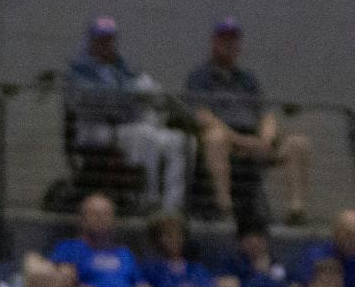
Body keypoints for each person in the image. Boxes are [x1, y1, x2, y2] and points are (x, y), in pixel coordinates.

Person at [184, 17, 310, 223]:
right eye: (224, 40)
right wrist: (240, 141)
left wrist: (266, 139)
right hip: (227, 141)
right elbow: (203, 116)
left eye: (233, 40)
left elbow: (265, 114)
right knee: (215, 139)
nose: (230, 45)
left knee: (298, 143)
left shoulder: (248, 79)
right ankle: (225, 208)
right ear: (214, 42)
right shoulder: (200, 77)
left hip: (256, 142)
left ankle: (296, 211)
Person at [63, 17, 190, 212]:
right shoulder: (78, 71)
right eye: (101, 40)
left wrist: (146, 93)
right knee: (144, 137)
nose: (106, 45)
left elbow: (140, 98)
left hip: (127, 128)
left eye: (110, 40)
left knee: (177, 141)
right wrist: (126, 95)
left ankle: (171, 207)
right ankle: (150, 200)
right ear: (91, 42)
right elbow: (88, 102)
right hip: (95, 130)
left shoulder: (123, 69)